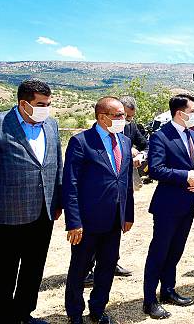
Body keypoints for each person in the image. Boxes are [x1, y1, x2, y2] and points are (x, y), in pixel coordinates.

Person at [0, 79, 62, 324]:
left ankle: (23, 314)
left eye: (49, 104)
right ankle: (1, 319)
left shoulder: (51, 125)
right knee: (5, 272)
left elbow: (57, 166)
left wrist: (59, 201)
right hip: (9, 213)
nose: (46, 109)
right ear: (24, 104)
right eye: (41, 104)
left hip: (44, 211)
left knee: (34, 269)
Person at [63, 96, 135, 324]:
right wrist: (74, 222)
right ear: (102, 117)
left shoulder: (123, 141)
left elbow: (126, 181)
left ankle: (98, 309)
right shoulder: (81, 142)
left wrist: (128, 214)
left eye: (123, 115)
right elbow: (70, 184)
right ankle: (75, 313)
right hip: (88, 221)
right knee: (80, 269)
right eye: (118, 116)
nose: (123, 119)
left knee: (106, 268)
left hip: (114, 219)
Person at [142, 94, 194, 319]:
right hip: (167, 205)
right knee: (159, 252)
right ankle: (149, 300)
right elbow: (155, 169)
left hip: (189, 204)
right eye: (192, 111)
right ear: (180, 113)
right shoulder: (161, 137)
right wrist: (186, 176)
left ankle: (168, 290)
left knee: (175, 251)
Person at [83, 96, 144, 286]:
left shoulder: (129, 131)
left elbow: (145, 145)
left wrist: (140, 154)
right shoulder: (86, 140)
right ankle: (86, 271)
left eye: (128, 117)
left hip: (119, 199)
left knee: (111, 242)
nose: (126, 121)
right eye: (122, 116)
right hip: (95, 204)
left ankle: (111, 264)